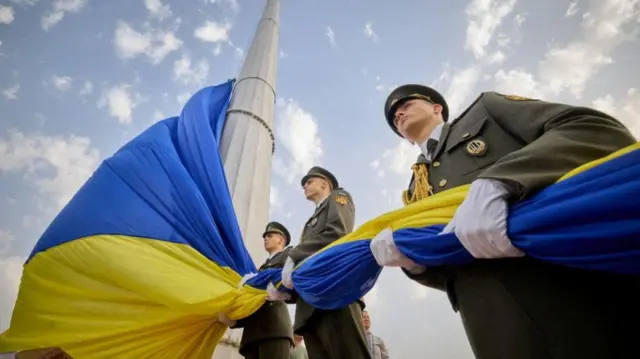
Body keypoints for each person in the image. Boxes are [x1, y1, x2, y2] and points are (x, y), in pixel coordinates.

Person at [373, 84, 640, 359]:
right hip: (493, 326)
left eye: (405, 104)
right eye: (394, 117)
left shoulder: (484, 112)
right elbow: (447, 272)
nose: (399, 113)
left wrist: (504, 179)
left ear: (436, 107)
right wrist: (414, 263)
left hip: (571, 294)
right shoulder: (415, 187)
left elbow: (591, 128)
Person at [281, 166, 370, 359]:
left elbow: (337, 233)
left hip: (335, 293)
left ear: (324, 183)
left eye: (309, 181)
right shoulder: (309, 223)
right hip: (310, 305)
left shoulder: (338, 198)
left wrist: (294, 255)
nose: (305, 185)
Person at [221, 222, 294, 359]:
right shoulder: (259, 270)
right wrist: (235, 320)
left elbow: (291, 283)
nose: (265, 239)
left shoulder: (288, 256)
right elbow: (252, 301)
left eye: (270, 235)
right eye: (265, 237)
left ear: (280, 240)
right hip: (253, 333)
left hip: (274, 328)